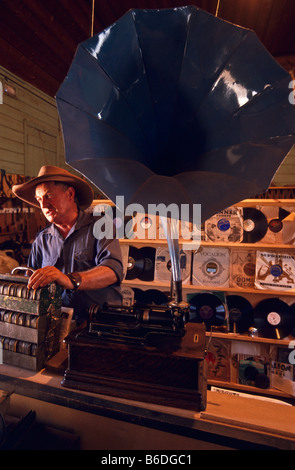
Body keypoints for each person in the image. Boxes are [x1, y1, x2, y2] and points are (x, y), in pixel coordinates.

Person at [12, 165, 123, 323]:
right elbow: (31, 284)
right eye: (39, 199)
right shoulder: (41, 240)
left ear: (70, 194)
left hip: (101, 323)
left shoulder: (101, 225)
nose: (43, 205)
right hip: (58, 325)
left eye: (48, 195)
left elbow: (113, 271)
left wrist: (70, 280)